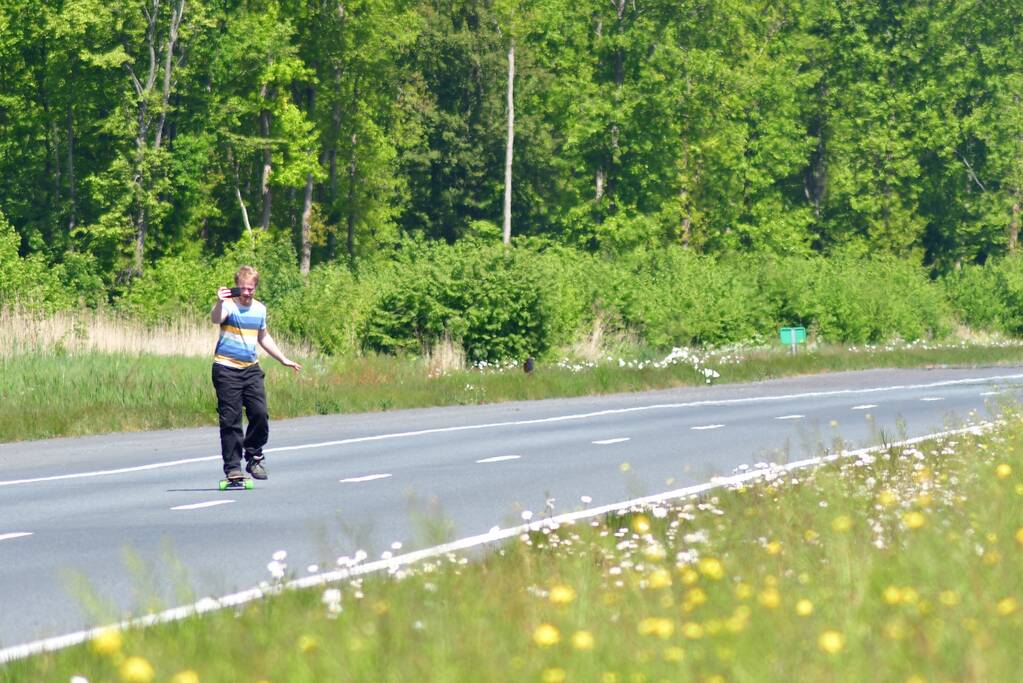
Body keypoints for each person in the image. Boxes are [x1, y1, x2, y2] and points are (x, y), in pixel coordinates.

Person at [211, 265, 301, 482]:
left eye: (250, 288)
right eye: (243, 288)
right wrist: (220, 301)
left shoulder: (260, 309)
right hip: (226, 369)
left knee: (260, 413)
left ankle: (254, 455)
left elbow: (263, 337)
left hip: (251, 368)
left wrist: (283, 359)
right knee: (231, 419)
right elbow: (216, 318)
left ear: (255, 287)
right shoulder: (229, 306)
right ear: (237, 286)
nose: (246, 292)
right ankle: (233, 468)